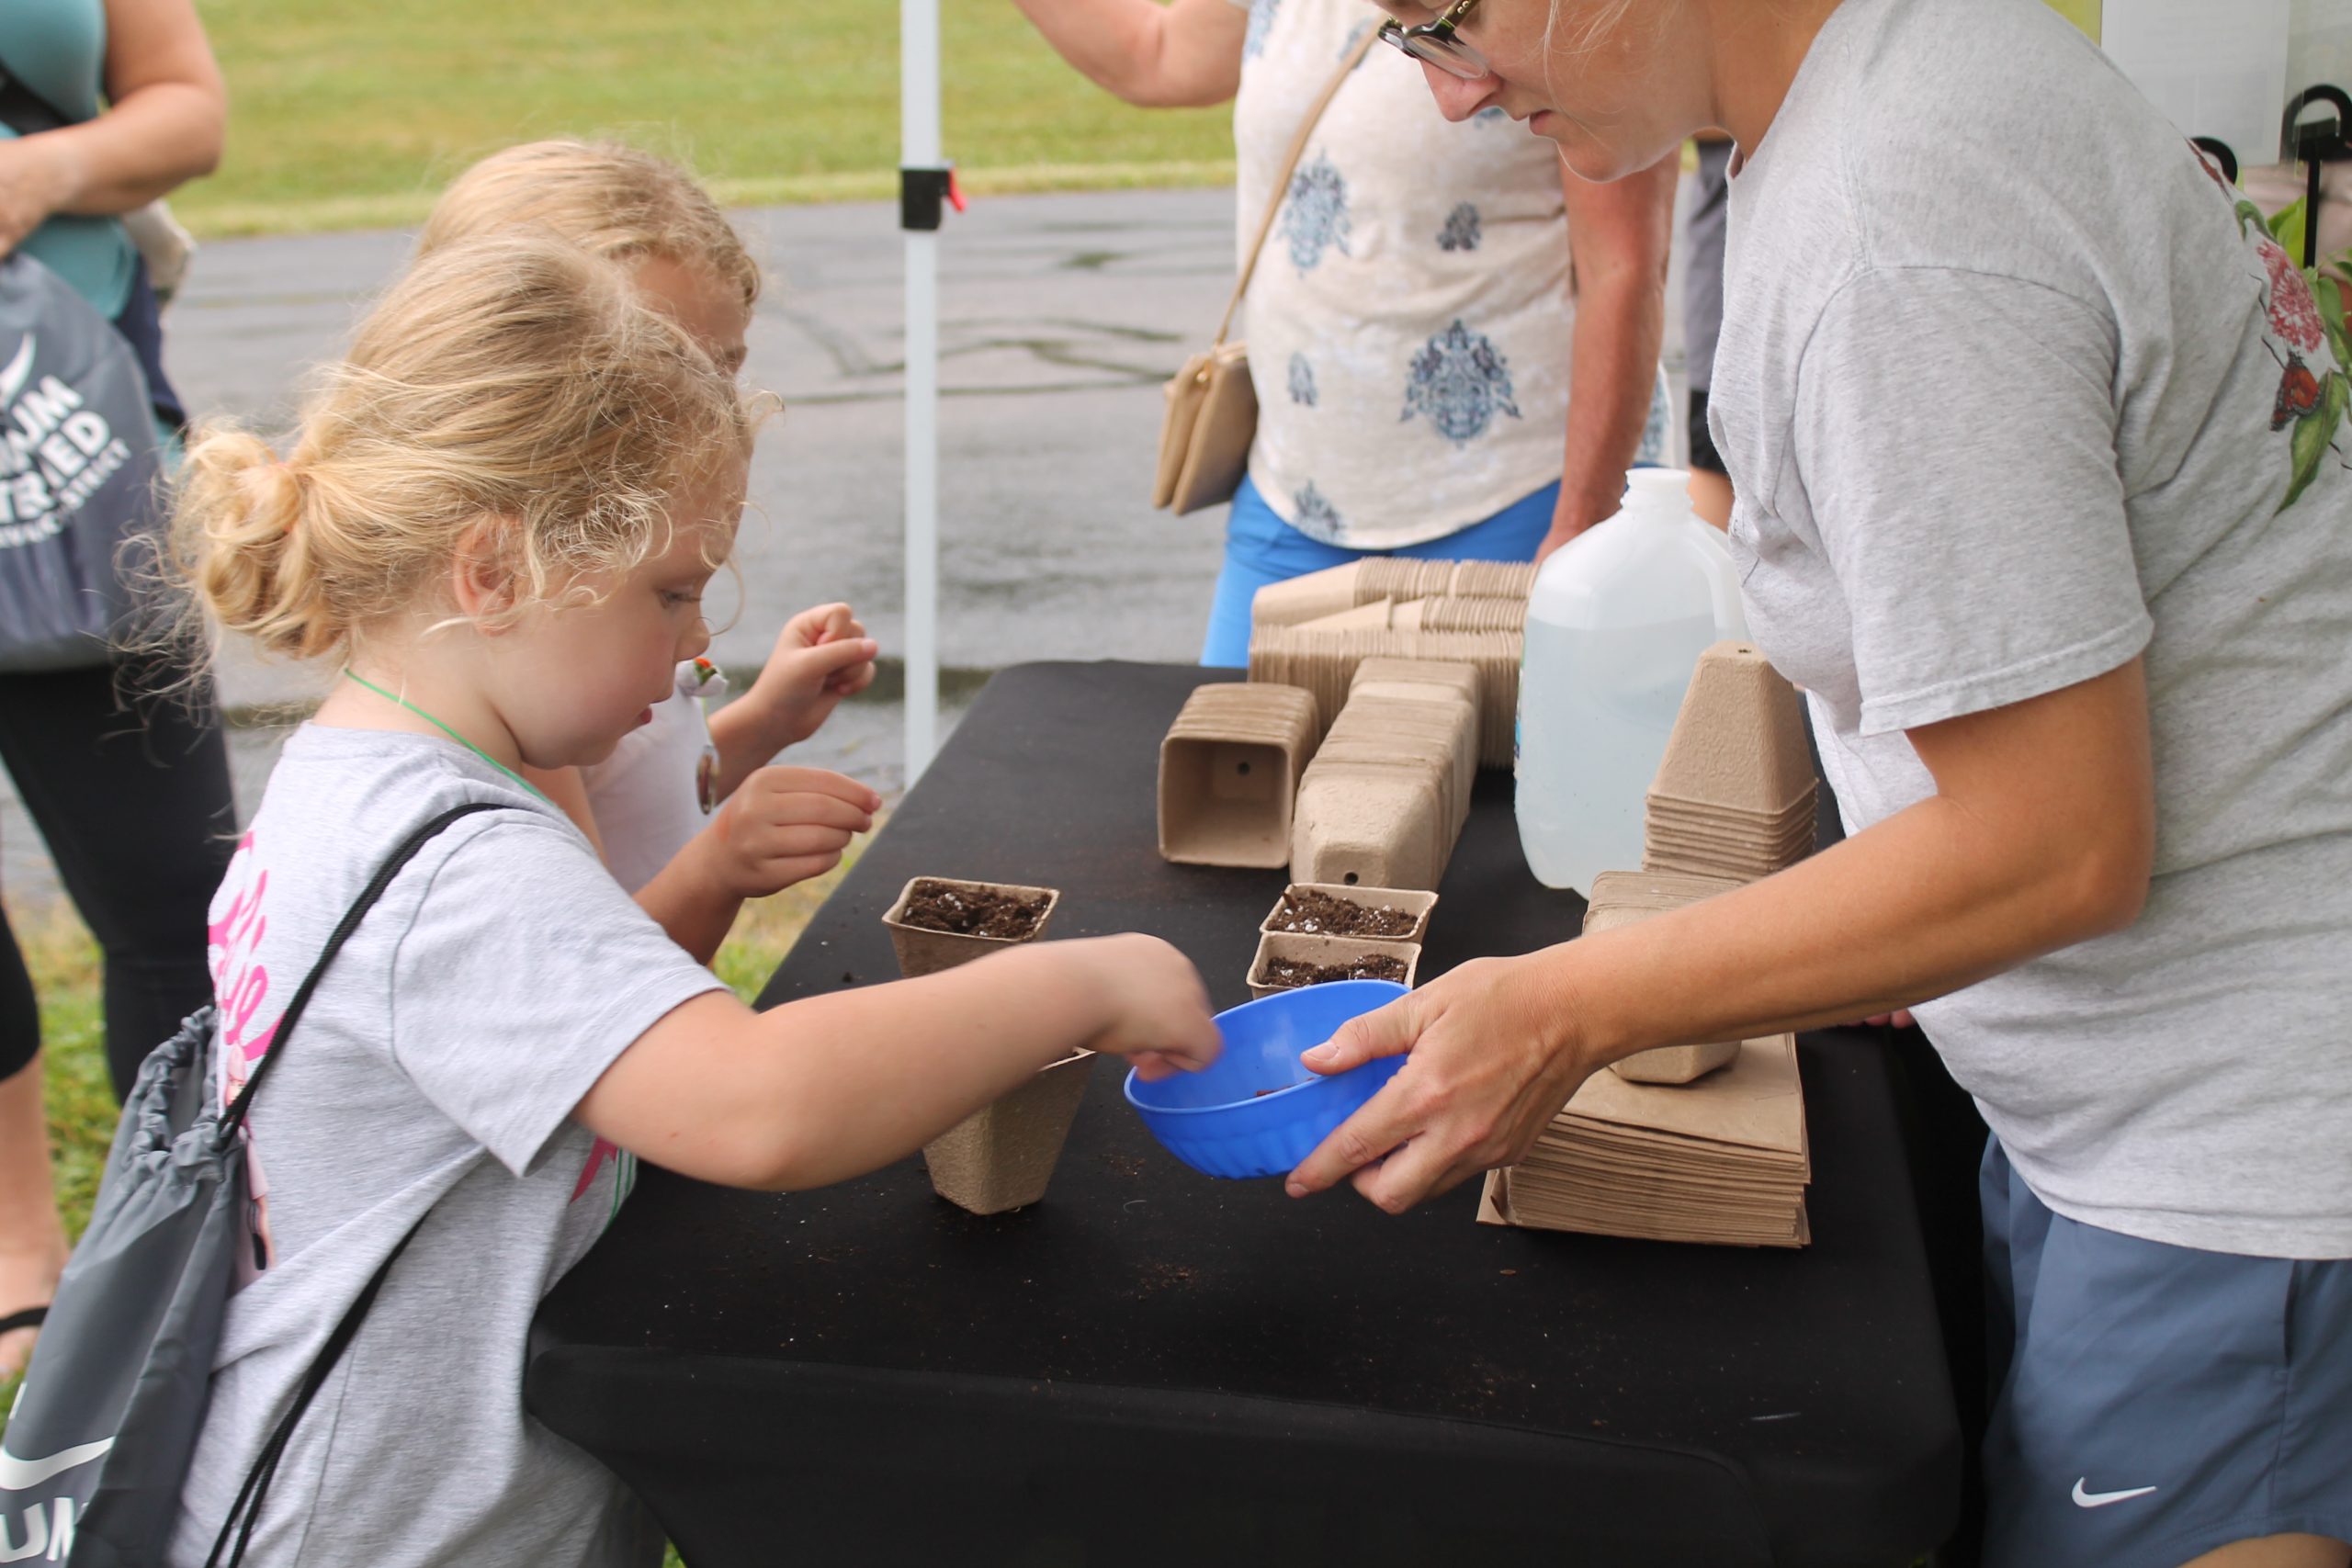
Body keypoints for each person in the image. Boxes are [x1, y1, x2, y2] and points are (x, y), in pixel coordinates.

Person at [1284, 1, 2352, 1565]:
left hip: (2239, 1149)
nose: (1451, 96)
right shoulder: (1903, 78)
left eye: (1447, 19)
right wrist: (1896, 906)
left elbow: (2060, 844)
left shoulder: (1897, 216)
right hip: (2150, 1104)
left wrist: (1580, 1004)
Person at [158, 233, 1220, 1566]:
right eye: (670, 591)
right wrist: (1086, 979)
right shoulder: (450, 867)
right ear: (492, 572)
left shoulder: (360, 771)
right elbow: (757, 1103)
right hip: (395, 1529)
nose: (700, 642)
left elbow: (572, 1029)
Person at [1009, 0, 1677, 666]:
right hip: (1293, 497)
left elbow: (1623, 270)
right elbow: (1153, 56)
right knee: (1234, 763)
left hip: (1519, 499)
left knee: (1487, 768)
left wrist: (1577, 531)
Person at [413, 141, 881, 933]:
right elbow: (599, 997)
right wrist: (720, 864)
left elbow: (637, 791)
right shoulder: (514, 674)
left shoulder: (577, 615)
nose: (705, 415)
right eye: (656, 372)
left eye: (721, 371)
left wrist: (764, 719)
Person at [0, 0, 228, 1382]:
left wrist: (38, 172)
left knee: (169, 892)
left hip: (74, 447)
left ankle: (171, 1235)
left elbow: (186, 106)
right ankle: (19, 1246)